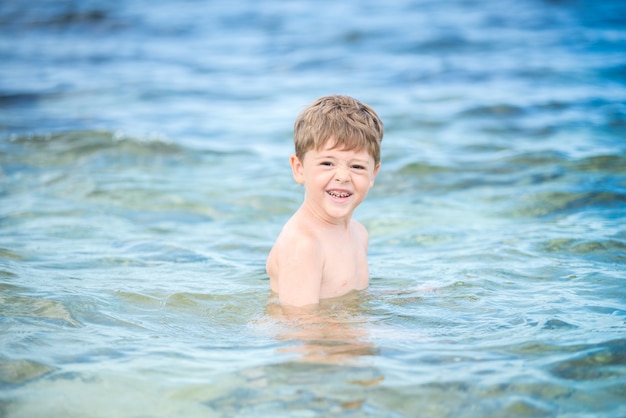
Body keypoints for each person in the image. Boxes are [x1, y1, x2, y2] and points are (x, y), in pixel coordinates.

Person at [266, 94, 383, 308]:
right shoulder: (304, 246)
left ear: (373, 175)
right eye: (328, 163)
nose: (343, 176)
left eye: (357, 166)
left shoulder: (359, 234)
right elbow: (301, 324)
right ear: (299, 168)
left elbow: (351, 297)